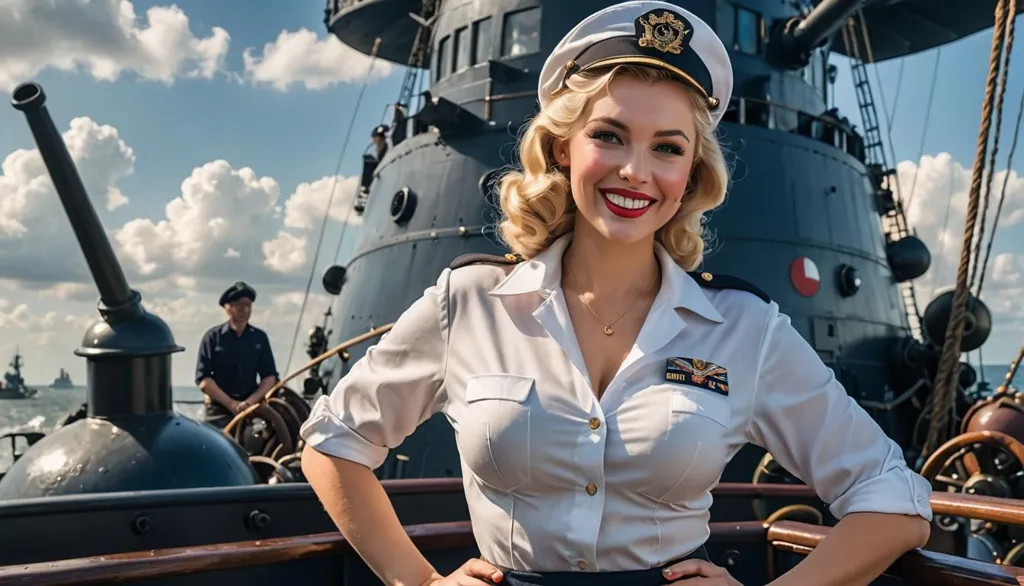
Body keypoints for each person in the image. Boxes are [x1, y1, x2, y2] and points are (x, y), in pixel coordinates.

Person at [298, 2, 933, 585]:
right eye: (608, 136)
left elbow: (891, 494)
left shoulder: (743, 328)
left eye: (667, 148)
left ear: (690, 176)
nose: (636, 171)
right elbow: (333, 441)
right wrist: (420, 582)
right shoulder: (470, 301)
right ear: (561, 148)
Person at [195, 281, 279, 428]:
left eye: (248, 306)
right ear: (228, 308)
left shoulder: (259, 338)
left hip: (251, 409)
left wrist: (249, 403)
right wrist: (231, 404)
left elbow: (269, 377)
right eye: (240, 306)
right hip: (218, 411)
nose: (245, 310)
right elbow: (204, 379)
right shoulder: (213, 338)